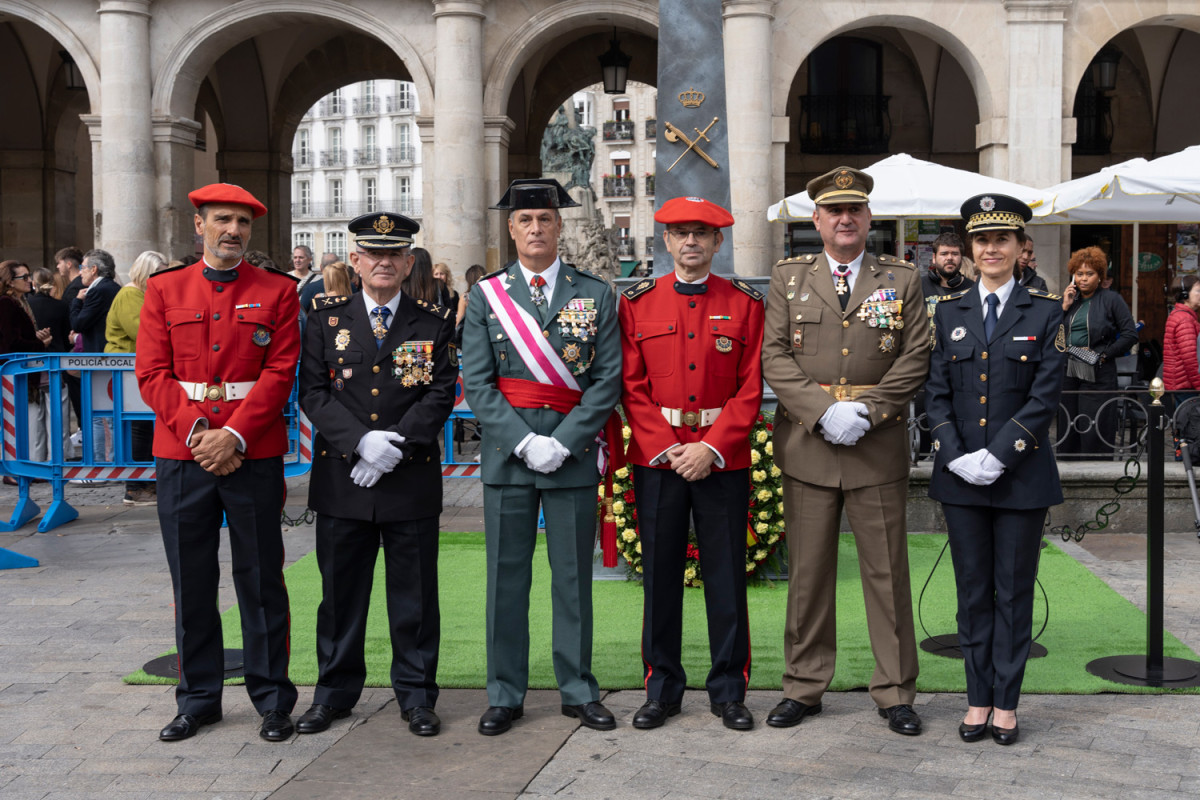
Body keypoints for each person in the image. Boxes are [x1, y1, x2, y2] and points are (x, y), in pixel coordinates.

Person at [761, 166, 929, 736]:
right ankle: (804, 687)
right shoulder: (787, 278)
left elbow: (916, 355)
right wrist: (822, 410)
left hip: (874, 445)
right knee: (809, 576)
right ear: (817, 221)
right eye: (835, 211)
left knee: (886, 574)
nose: (845, 219)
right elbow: (775, 357)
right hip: (809, 444)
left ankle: (896, 691)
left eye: (854, 209)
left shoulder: (902, 278)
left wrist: (868, 411)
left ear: (869, 217)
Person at [135, 182, 300, 743]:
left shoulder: (278, 291)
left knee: (260, 579)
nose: (234, 231)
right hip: (184, 452)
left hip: (251, 451)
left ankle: (273, 700)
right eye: (223, 220)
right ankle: (199, 698)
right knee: (192, 579)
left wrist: (233, 435)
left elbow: (279, 373)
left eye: (244, 223)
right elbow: (152, 373)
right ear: (199, 223)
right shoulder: (164, 288)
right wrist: (203, 432)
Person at [462, 178, 621, 736]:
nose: (535, 228)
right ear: (511, 229)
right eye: (525, 220)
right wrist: (527, 442)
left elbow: (607, 382)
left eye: (545, 219)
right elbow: (478, 385)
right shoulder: (488, 296)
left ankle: (577, 689)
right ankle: (505, 693)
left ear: (559, 227)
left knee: (572, 580)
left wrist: (565, 440)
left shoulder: (595, 294)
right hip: (510, 459)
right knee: (506, 580)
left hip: (571, 457)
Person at [297, 212, 456, 738]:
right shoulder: (324, 318)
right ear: (356, 262)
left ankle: (416, 695)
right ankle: (334, 694)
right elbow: (314, 392)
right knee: (340, 596)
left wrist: (396, 446)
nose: (385, 262)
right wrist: (360, 443)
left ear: (409, 263)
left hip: (409, 479)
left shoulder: (432, 322)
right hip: (344, 478)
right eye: (374, 254)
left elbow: (438, 393)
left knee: (413, 596)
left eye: (395, 255)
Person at [618, 196, 764, 731]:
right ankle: (662, 687)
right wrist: (667, 446)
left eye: (701, 233)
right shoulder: (637, 302)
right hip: (661, 459)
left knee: (726, 573)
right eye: (680, 232)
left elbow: (751, 388)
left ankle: (729, 690)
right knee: (659, 576)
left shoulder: (746, 303)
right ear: (666, 241)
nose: (691, 242)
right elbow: (630, 387)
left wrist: (712, 446)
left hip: (721, 459)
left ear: (718, 241)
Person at [926, 193, 1066, 745]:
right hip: (960, 476)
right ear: (968, 248)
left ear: (1018, 248)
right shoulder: (948, 311)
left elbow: (1045, 394)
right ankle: (977, 698)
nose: (990, 249)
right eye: (981, 240)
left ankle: (1007, 703)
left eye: (1001, 239)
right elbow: (935, 393)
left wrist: (1000, 454)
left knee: (1012, 593)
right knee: (972, 591)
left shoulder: (1046, 310)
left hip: (1021, 477)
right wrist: (956, 453)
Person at [1058, 246, 1137, 458]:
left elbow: (1130, 334)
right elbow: (1051, 335)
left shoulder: (1112, 299)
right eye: (1079, 274)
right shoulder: (1068, 300)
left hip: (1098, 373)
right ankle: (1067, 475)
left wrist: (1103, 355)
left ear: (1100, 276)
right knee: (1068, 425)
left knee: (1093, 426)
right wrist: (1063, 307)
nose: (1083, 279)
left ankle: (1095, 474)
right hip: (1068, 372)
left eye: (1089, 274)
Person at [105, 250, 167, 506]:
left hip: (136, 367)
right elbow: (143, 330)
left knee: (143, 427)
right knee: (139, 428)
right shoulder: (131, 294)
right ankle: (136, 487)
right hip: (129, 367)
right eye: (158, 273)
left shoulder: (139, 293)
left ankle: (144, 484)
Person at [0, 261, 52, 477]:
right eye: (24, 277)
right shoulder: (6, 303)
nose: (29, 280)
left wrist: (36, 337)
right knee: (13, 424)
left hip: (22, 373)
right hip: (12, 373)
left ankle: (18, 468)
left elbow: (19, 335)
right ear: (10, 282)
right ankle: (13, 471)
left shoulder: (21, 302)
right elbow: (9, 343)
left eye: (29, 275)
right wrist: (40, 345)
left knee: (22, 423)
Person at [27, 268, 72, 462]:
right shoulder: (61, 306)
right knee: (58, 414)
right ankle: (59, 456)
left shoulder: (27, 305)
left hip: (32, 362)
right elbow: (65, 337)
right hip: (56, 362)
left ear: (34, 283)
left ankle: (36, 458)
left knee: (35, 415)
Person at [1163, 275, 1200, 401]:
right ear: (1185, 295)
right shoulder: (1185, 320)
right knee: (1189, 419)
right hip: (1186, 386)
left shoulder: (1181, 315)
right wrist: (1199, 384)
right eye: (1198, 290)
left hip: (1181, 383)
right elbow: (1190, 359)